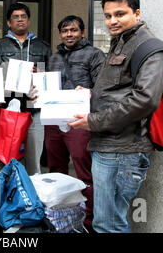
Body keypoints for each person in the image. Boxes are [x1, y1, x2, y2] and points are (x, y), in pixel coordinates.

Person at [68, 0, 163, 233]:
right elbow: (120, 90)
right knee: (107, 222)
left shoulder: (149, 47)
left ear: (137, 13)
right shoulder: (122, 42)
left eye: (120, 14)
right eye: (107, 15)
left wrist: (93, 120)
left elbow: (145, 100)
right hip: (109, 148)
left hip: (121, 151)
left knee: (109, 225)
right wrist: (92, 95)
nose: (112, 21)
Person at [44, 15, 104, 231]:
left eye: (73, 30)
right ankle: (58, 215)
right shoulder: (54, 57)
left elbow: (103, 88)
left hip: (79, 121)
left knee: (83, 170)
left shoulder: (95, 55)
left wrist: (90, 92)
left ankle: (88, 220)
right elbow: (47, 86)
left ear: (82, 32)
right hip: (53, 120)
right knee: (56, 169)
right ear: (60, 34)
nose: (69, 34)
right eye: (65, 30)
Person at [0, 2, 51, 175]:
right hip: (6, 111)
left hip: (34, 110)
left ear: (28, 20)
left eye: (23, 16)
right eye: (15, 17)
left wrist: (40, 73)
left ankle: (31, 200)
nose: (20, 20)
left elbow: (51, 76)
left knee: (33, 164)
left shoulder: (42, 46)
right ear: (9, 23)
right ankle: (5, 197)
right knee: (4, 161)